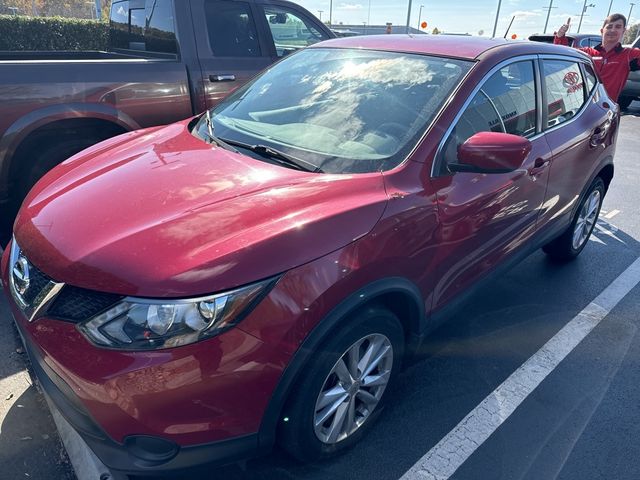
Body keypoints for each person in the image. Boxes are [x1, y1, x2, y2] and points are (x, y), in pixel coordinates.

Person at [554, 14, 640, 103]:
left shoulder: (629, 54)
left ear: (623, 31)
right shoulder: (587, 53)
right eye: (609, 27)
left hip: (604, 109)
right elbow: (562, 54)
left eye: (618, 27)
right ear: (602, 31)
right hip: (579, 106)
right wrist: (560, 37)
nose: (613, 30)